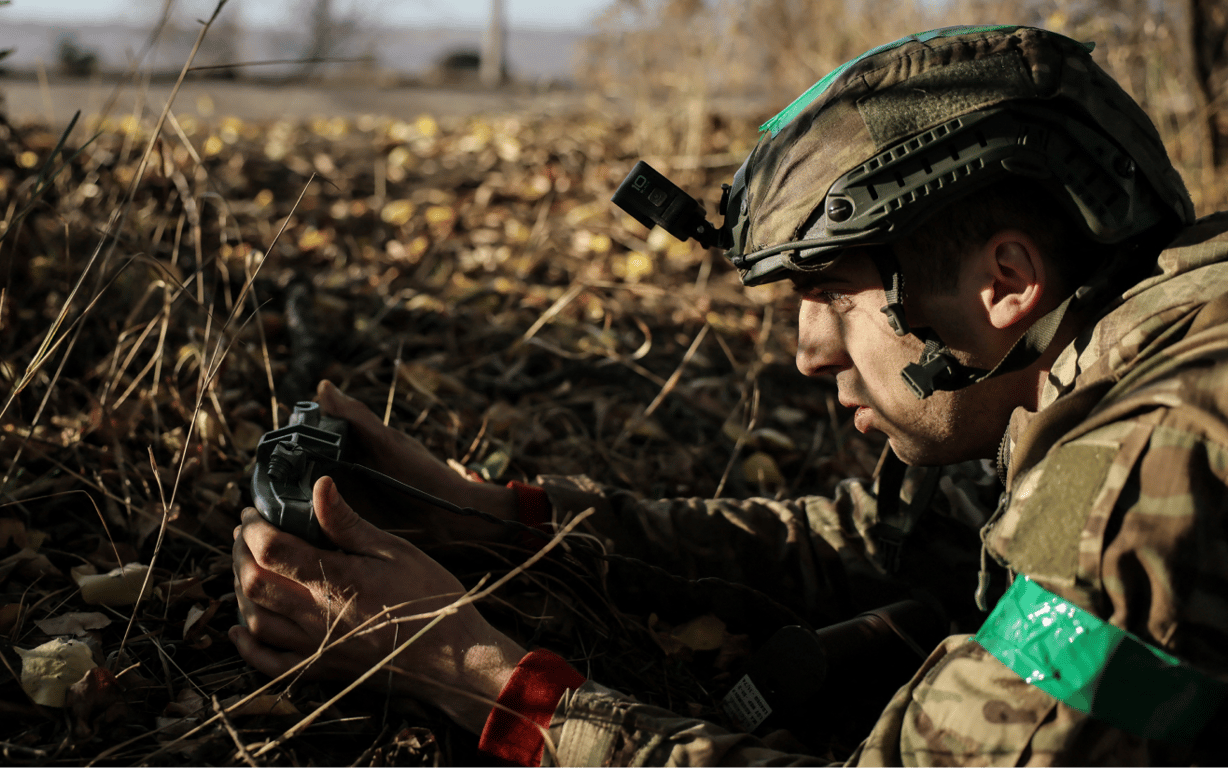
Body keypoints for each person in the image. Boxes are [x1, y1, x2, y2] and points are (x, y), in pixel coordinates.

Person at [231, 25, 1228, 767]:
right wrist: (499, 518)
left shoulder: (1141, 473)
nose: (806, 352)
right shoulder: (1123, 341)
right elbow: (881, 543)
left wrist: (469, 675)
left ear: (1005, 282)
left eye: (829, 295)